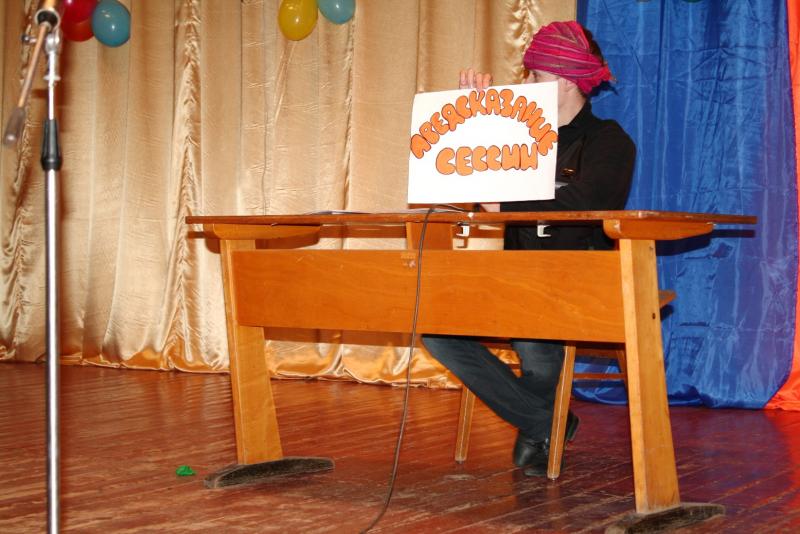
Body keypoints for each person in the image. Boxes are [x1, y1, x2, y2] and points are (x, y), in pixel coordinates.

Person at [423, 20, 636, 477]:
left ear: (565, 81)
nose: (527, 84)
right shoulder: (517, 137)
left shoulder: (609, 141)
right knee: (437, 328)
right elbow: (464, 184)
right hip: (517, 279)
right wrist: (473, 118)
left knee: (535, 343)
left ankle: (540, 423)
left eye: (536, 75)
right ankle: (548, 421)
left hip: (578, 281)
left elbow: (586, 203)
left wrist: (507, 201)